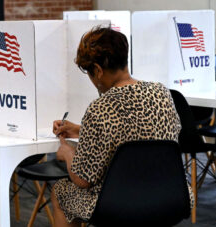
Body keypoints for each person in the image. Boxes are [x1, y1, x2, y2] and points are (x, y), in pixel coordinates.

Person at [50, 25, 189, 227]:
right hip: (170, 195)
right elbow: (143, 133)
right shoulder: (162, 94)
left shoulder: (101, 107)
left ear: (97, 71)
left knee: (61, 192)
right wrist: (81, 130)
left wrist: (68, 152)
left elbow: (82, 179)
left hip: (117, 203)